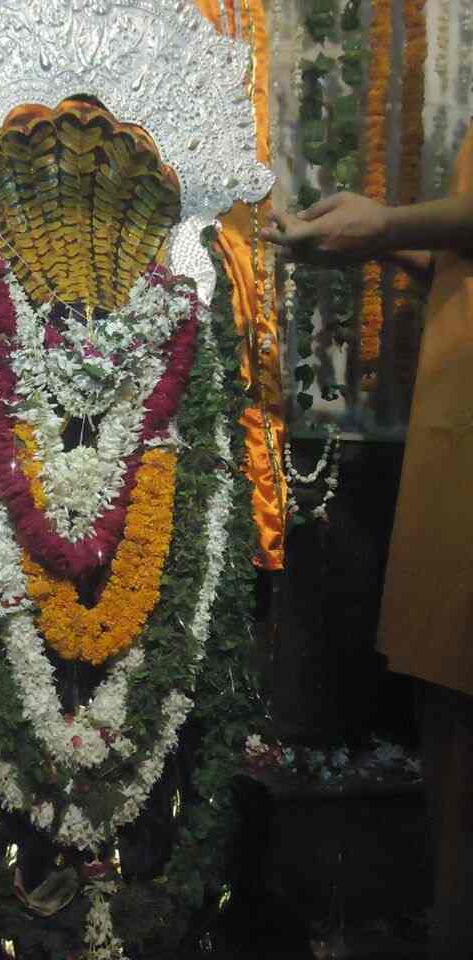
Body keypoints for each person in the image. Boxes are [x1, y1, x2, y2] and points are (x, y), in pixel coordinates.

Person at [262, 129, 473, 960]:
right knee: (445, 680)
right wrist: (381, 245)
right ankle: (453, 915)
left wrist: (386, 224)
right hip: (453, 406)